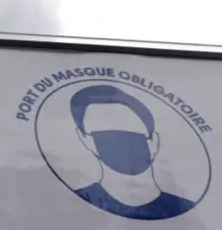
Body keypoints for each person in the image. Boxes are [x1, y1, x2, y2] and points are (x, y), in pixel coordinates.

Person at [70, 84, 194, 220]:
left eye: (133, 136)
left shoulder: (185, 210)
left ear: (154, 141)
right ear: (85, 140)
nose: (121, 146)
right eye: (106, 137)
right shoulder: (70, 207)